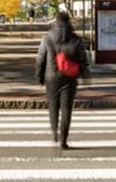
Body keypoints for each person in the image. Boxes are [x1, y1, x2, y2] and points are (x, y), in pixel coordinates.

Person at [36, 11, 89, 149]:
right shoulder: (76, 39)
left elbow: (40, 59)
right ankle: (63, 140)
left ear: (56, 21)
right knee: (66, 109)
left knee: (53, 106)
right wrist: (85, 76)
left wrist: (39, 77)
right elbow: (83, 60)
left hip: (51, 77)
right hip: (70, 78)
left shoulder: (47, 38)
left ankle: (54, 131)